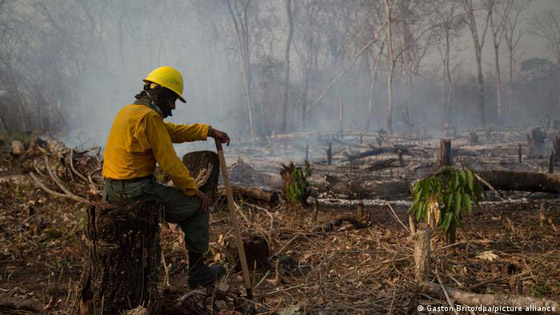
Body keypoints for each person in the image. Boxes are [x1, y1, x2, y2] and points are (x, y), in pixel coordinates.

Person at [102, 65, 229, 288]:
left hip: (111, 189)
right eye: (172, 99)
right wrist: (193, 190)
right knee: (198, 208)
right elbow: (169, 162)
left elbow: (170, 131)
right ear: (159, 93)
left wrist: (207, 131)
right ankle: (198, 272)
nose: (172, 107)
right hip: (134, 190)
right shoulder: (149, 118)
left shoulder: (129, 112)